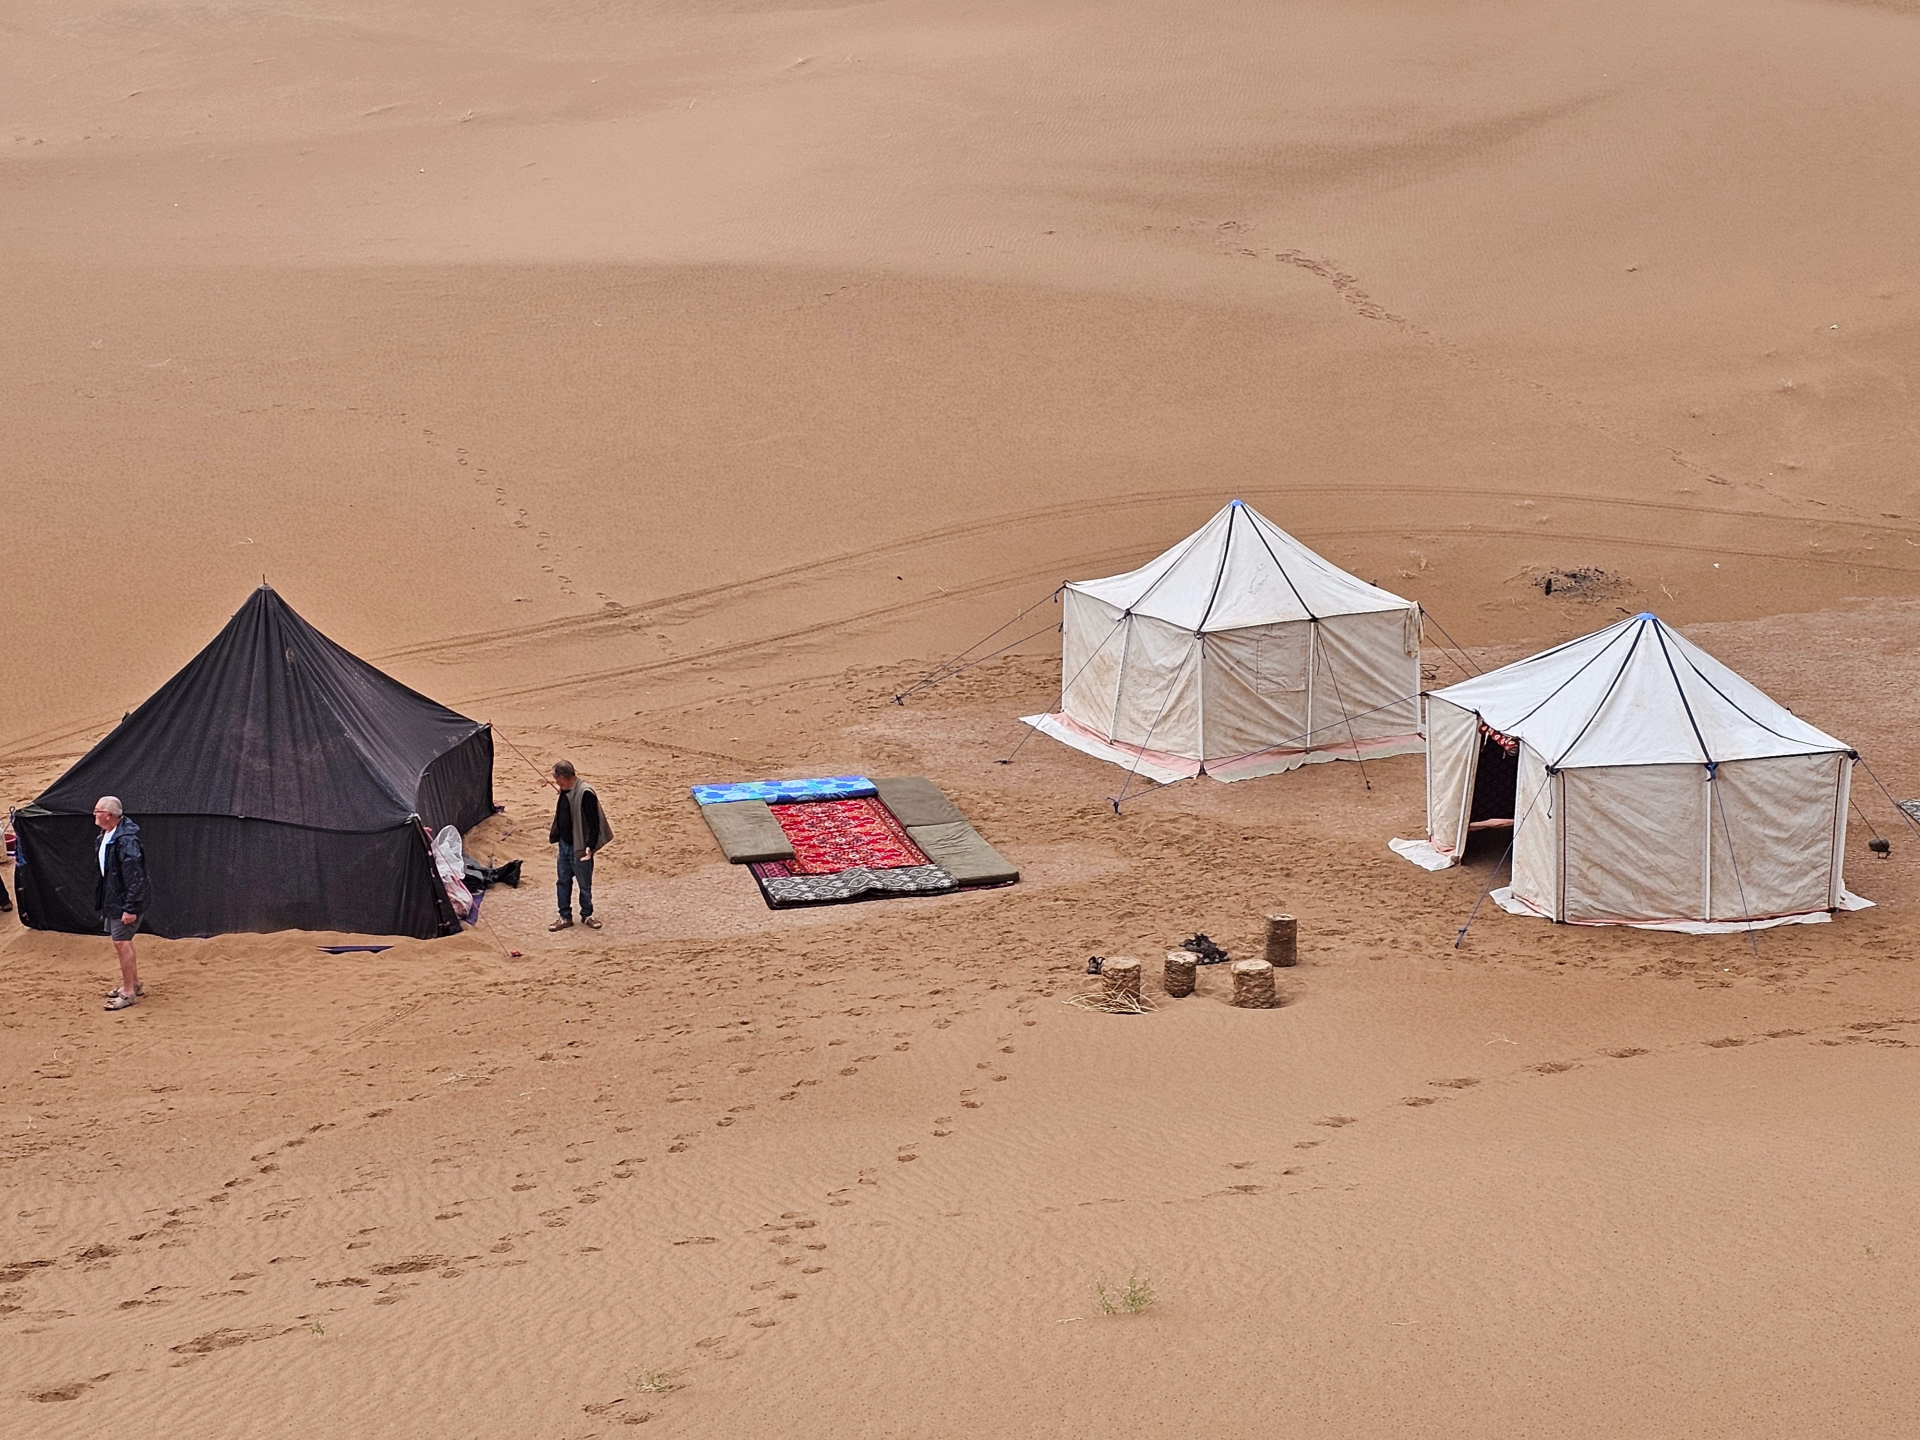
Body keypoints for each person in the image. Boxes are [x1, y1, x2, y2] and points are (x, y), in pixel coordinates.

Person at [94, 796, 148, 1011]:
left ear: (108, 815)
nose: (94, 814)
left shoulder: (126, 841)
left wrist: (130, 908)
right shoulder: (107, 835)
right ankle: (134, 984)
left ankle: (128, 992)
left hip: (124, 901)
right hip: (115, 898)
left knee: (121, 942)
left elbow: (135, 877)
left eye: (97, 811)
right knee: (124, 940)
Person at [548, 761, 612, 931]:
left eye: (556, 779)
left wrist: (590, 846)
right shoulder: (566, 790)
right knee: (563, 881)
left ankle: (587, 915)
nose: (556, 782)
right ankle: (564, 916)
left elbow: (594, 823)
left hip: (580, 846)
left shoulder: (585, 793)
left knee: (584, 884)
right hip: (565, 844)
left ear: (563, 778)